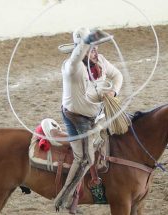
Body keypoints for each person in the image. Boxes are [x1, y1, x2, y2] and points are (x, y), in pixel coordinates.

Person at [54, 27, 123, 211]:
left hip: (96, 114)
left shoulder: (100, 62)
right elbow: (77, 57)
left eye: (95, 47)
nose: (95, 51)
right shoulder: (72, 67)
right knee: (84, 158)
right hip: (76, 118)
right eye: (90, 48)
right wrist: (86, 42)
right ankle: (64, 198)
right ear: (81, 49)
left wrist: (113, 91)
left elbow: (117, 75)